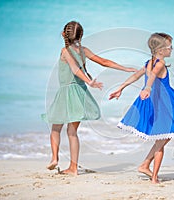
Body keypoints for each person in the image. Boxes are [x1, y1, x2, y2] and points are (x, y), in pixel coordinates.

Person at [42, 21, 136, 175]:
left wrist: (89, 81)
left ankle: (54, 158)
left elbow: (74, 68)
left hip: (66, 93)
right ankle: (73, 167)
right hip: (79, 94)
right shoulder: (83, 50)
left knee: (56, 128)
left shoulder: (65, 51)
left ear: (64, 34)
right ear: (81, 35)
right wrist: (125, 68)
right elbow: (104, 62)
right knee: (72, 132)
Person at [109, 33, 174, 183]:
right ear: (160, 49)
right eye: (169, 46)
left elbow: (136, 76)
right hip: (162, 104)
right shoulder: (159, 64)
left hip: (159, 103)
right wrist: (147, 88)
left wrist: (121, 88)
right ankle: (154, 178)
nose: (171, 49)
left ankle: (145, 164)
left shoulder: (148, 62)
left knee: (167, 135)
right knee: (161, 140)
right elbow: (151, 77)